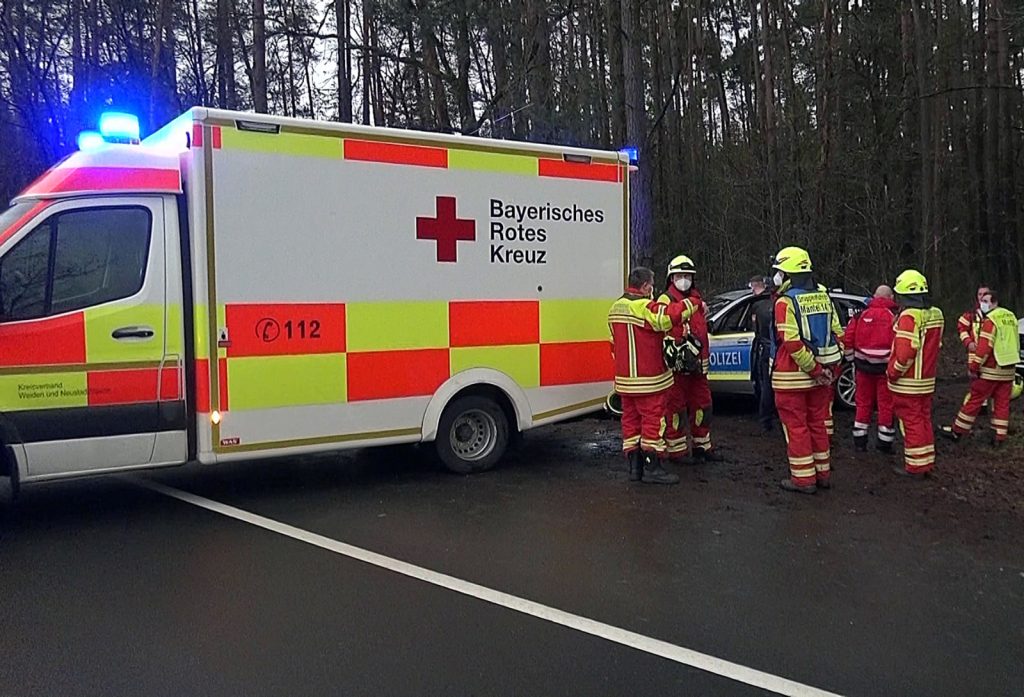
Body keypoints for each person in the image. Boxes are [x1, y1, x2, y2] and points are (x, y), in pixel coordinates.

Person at [769, 247, 844, 494]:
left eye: (779, 272)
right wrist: (828, 369)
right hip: (822, 379)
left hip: (793, 379)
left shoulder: (785, 302)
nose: (776, 276)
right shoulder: (824, 297)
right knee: (818, 425)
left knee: (797, 428)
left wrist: (813, 369)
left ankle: (803, 480)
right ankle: (822, 474)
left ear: (789, 274)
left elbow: (791, 343)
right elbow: (837, 334)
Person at [608, 267, 685, 485]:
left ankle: (635, 468)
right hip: (649, 380)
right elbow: (668, 319)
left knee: (630, 423)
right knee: (653, 422)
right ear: (645, 286)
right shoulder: (643, 307)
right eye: (651, 285)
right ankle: (653, 468)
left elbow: (613, 344)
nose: (653, 289)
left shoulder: (615, 308)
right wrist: (691, 305)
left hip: (625, 380)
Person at [657, 255, 723, 462]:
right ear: (671, 277)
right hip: (677, 369)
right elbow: (662, 329)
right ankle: (677, 450)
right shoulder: (666, 300)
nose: (683, 279)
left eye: (687, 276)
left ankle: (702, 446)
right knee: (675, 409)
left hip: (699, 369)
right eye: (680, 275)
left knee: (703, 407)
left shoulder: (697, 300)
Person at [942, 290, 1019, 446]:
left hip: (990, 370)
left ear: (994, 302)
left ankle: (958, 431)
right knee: (1002, 404)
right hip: (1008, 369)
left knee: (974, 400)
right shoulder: (1011, 317)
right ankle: (999, 437)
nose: (982, 304)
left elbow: (984, 348)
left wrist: (974, 366)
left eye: (986, 301)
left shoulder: (991, 320)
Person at [887, 270, 944, 479]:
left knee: (911, 423)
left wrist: (892, 372)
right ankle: (926, 461)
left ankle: (916, 467)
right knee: (923, 420)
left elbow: (905, 352)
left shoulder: (909, 316)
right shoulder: (936, 314)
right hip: (927, 380)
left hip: (907, 382)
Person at [844, 285, 898, 452]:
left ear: (874, 296)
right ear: (891, 297)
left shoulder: (861, 315)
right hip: (885, 369)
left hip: (863, 368)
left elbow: (848, 338)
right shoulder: (894, 317)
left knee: (863, 404)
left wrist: (851, 360)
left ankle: (860, 441)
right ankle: (884, 443)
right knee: (886, 405)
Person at [748, 275, 776, 432]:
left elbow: (754, 329)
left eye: (752, 287)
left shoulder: (757, 306)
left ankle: (766, 420)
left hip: (764, 349)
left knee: (765, 384)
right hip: (776, 348)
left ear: (756, 285)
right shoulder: (775, 301)